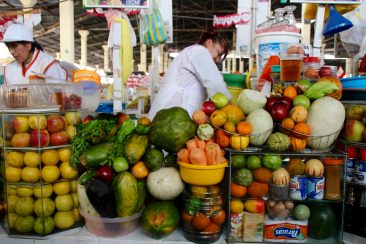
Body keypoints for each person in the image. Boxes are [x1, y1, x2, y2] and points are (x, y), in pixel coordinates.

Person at [148, 31, 232, 119]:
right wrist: (229, 106)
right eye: (218, 53)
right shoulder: (199, 51)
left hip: (176, 114)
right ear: (209, 42)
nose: (217, 59)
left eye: (220, 57)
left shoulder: (195, 54)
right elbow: (214, 82)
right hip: (172, 109)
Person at [2, 23, 67, 85]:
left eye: (14, 46)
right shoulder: (9, 69)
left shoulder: (48, 64)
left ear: (28, 45)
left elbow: (60, 93)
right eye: (8, 47)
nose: (11, 51)